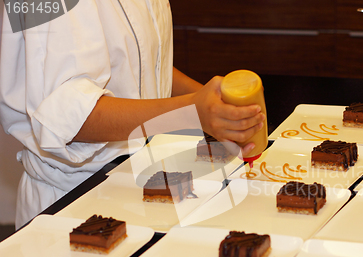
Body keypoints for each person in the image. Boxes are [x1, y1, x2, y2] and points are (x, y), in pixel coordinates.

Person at [0, 0, 265, 229]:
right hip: (75, 203)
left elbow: (143, 63)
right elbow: (70, 120)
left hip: (145, 180)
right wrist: (193, 112)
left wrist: (218, 107)